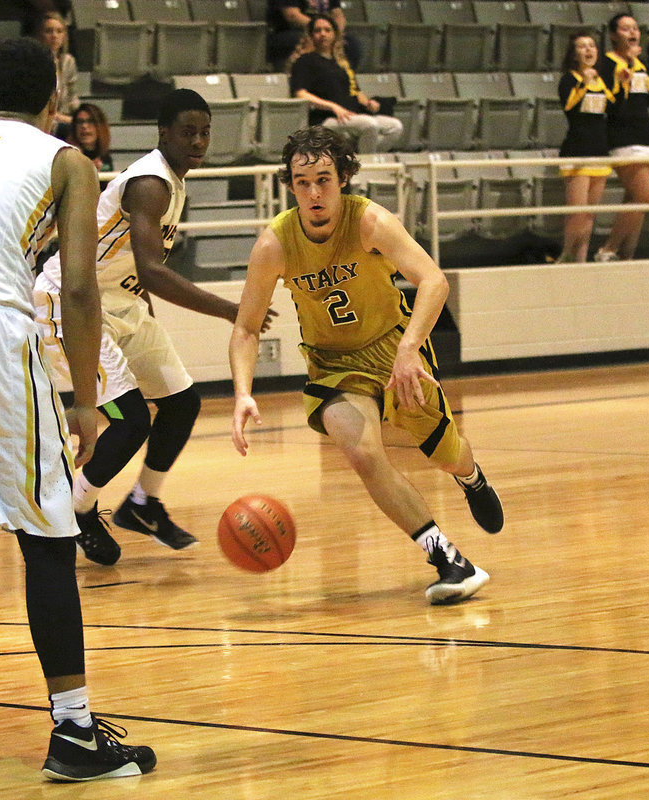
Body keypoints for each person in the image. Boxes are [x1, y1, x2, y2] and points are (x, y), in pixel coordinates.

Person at [230, 126, 504, 606]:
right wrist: (243, 392)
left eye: (323, 180)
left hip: (394, 346)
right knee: (362, 453)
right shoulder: (275, 244)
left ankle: (470, 475)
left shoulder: (371, 222)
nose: (314, 193)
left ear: (344, 178)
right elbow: (247, 328)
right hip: (334, 365)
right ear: (290, 186)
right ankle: (447, 558)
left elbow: (434, 281)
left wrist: (409, 348)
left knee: (444, 453)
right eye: (302, 183)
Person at [0, 36, 155, 781]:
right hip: (2, 345)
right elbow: (83, 288)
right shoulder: (66, 160)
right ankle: (73, 734)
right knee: (47, 534)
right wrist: (88, 401)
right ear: (53, 96)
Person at [34, 88, 276, 567]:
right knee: (130, 422)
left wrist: (146, 315)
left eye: (205, 132)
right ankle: (73, 512)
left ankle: (142, 504)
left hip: (121, 304)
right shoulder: (150, 182)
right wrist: (232, 311)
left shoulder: (173, 181)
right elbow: (151, 269)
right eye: (188, 132)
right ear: (163, 134)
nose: (198, 141)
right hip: (71, 304)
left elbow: (132, 269)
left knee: (182, 403)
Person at [594, 14, 649, 261]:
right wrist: (621, 82)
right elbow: (609, 106)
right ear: (614, 35)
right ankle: (607, 250)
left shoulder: (641, 63)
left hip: (646, 135)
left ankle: (627, 257)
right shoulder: (606, 63)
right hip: (623, 136)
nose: (632, 33)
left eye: (635, 28)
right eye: (626, 29)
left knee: (634, 201)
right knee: (644, 197)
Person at [289, 15, 402, 154]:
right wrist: (333, 107)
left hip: (352, 115)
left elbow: (355, 91)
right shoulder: (304, 61)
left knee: (395, 127)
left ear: (335, 35)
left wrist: (368, 103)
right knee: (369, 125)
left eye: (327, 30)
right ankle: (363, 166)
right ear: (311, 36)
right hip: (325, 118)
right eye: (318, 30)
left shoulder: (342, 62)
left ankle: (356, 157)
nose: (323, 34)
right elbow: (301, 94)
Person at [557, 32, 615, 263]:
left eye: (592, 46)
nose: (588, 50)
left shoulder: (602, 80)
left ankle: (581, 261)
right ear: (574, 54)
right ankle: (567, 257)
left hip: (600, 149)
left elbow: (613, 106)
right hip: (577, 149)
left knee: (590, 214)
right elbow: (569, 106)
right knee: (577, 212)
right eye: (582, 47)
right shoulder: (569, 79)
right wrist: (584, 81)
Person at [267, 0, 361, 71]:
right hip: (289, 32)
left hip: (323, 30)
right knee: (300, 41)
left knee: (350, 43)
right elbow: (292, 15)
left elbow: (338, 14)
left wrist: (336, 33)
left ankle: (343, 82)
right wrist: (320, 28)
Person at [32, 11, 79, 139]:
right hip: (40, 120)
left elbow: (72, 98)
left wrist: (79, 116)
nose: (54, 36)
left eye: (59, 31)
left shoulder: (68, 62)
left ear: (64, 36)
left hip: (63, 118)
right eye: (49, 31)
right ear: (40, 35)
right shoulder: (34, 62)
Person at [69, 103, 114, 174]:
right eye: (80, 122)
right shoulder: (67, 156)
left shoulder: (105, 157)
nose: (84, 126)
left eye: (90, 121)